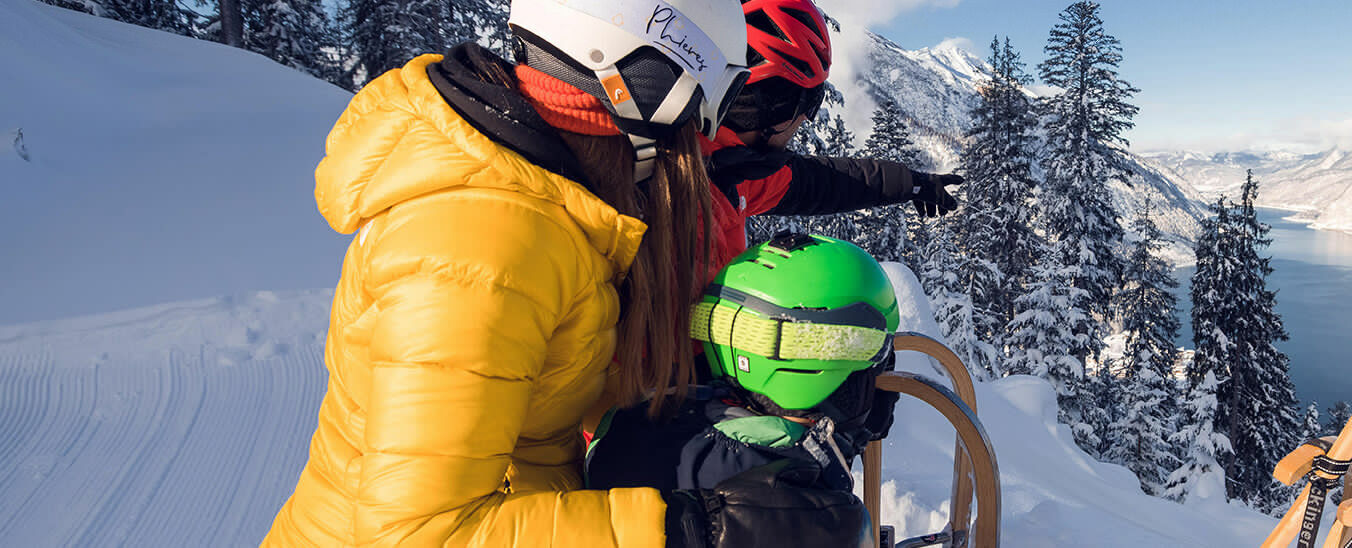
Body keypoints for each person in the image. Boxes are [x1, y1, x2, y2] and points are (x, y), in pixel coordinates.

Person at [262, 0, 868, 545]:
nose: (708, 133)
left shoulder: (570, 200)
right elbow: (416, 535)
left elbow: (582, 381)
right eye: (707, 103)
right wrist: (693, 530)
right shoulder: (482, 245)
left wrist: (792, 394)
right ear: (650, 86)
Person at [584, 234, 897, 495]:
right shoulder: (803, 504)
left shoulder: (646, 421)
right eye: (879, 354)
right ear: (818, 363)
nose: (882, 377)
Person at [695, 0, 964, 268]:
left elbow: (821, 182)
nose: (805, 119)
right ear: (768, 107)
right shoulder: (685, 203)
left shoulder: (726, 168)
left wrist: (911, 182)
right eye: (808, 103)